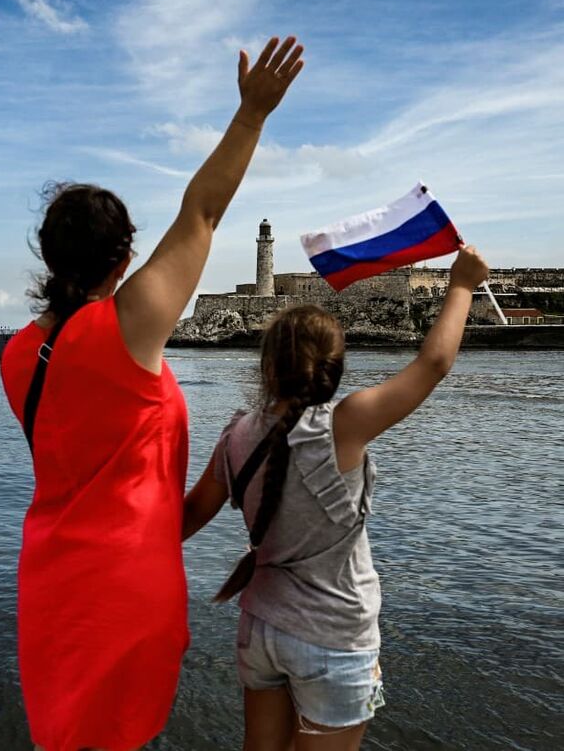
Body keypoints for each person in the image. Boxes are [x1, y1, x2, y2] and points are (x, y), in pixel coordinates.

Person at [0, 37, 305, 751]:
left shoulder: (18, 354)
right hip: (124, 590)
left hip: (51, 589)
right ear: (125, 258)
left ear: (48, 259)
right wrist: (252, 116)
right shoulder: (127, 330)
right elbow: (200, 215)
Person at [181, 247, 491, 750]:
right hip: (333, 634)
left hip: (260, 627)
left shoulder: (236, 434)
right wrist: (462, 284)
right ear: (333, 365)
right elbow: (433, 363)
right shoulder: (341, 427)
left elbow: (189, 515)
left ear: (267, 365)